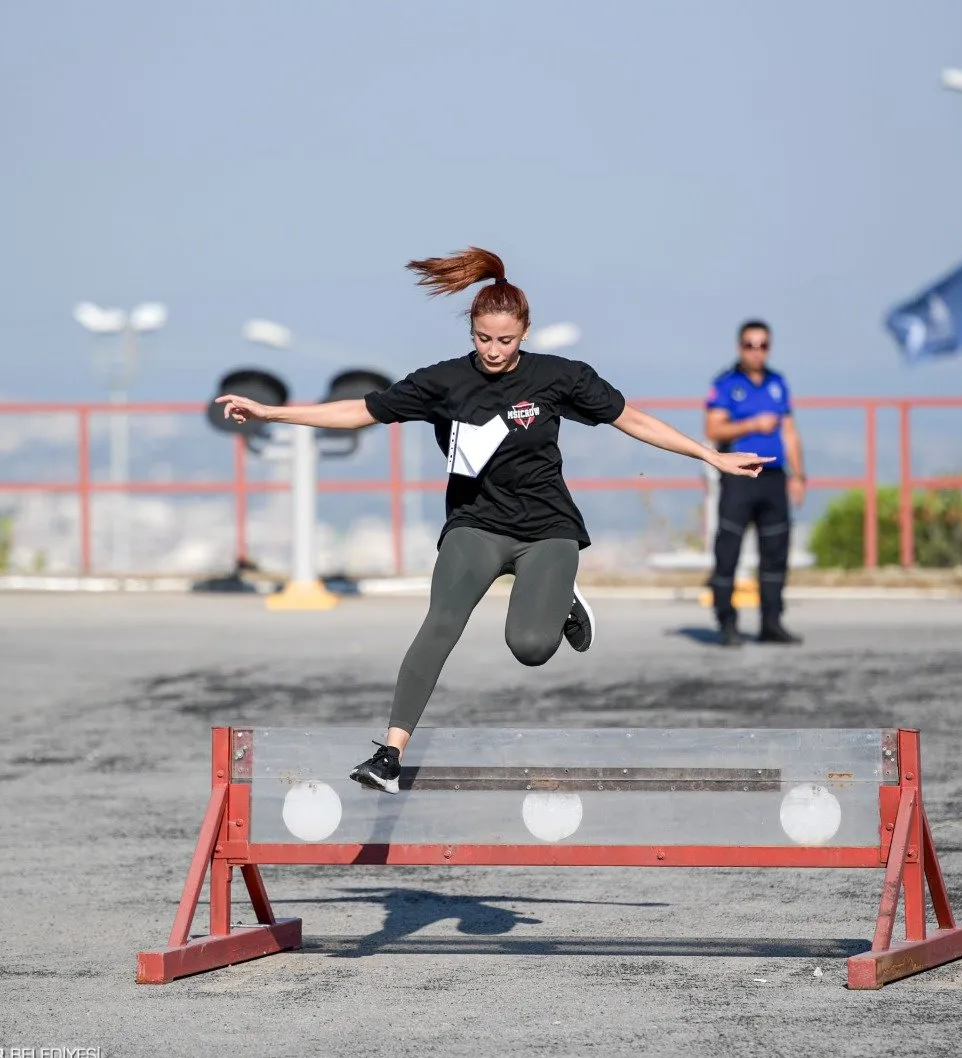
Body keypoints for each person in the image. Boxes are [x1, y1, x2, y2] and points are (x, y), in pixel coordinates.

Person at [216, 247, 771, 793]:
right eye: (483, 338)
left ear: (525, 332)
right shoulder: (444, 382)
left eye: (505, 340)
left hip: (547, 529)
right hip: (475, 525)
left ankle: (560, 599)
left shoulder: (561, 377)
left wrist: (711, 455)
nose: (494, 350)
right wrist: (271, 413)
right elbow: (360, 410)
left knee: (530, 647)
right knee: (440, 625)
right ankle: (389, 754)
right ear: (471, 332)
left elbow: (635, 421)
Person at [703, 320, 806, 647]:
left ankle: (772, 621)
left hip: (775, 479)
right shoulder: (726, 384)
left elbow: (789, 432)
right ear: (740, 347)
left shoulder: (778, 383)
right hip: (740, 477)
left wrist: (799, 475)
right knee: (728, 551)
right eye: (750, 345)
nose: (756, 351)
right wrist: (751, 424)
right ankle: (726, 621)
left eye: (762, 345)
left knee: (775, 551)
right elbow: (713, 429)